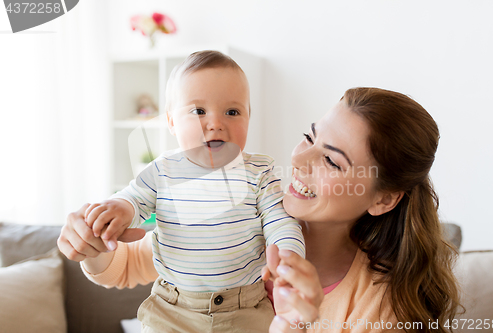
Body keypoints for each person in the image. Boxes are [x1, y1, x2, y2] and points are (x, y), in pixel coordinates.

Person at [59, 87, 463, 333]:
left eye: (332, 161)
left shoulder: (379, 304)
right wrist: (94, 245)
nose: (301, 160)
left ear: (382, 199)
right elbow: (125, 267)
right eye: (310, 137)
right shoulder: (230, 212)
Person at [76, 50, 305, 332]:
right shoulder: (162, 171)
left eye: (232, 112)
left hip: (245, 309)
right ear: (171, 121)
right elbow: (133, 199)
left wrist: (288, 255)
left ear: (248, 117)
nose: (216, 123)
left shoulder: (258, 173)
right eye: (198, 111)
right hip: (173, 310)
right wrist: (120, 210)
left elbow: (279, 221)